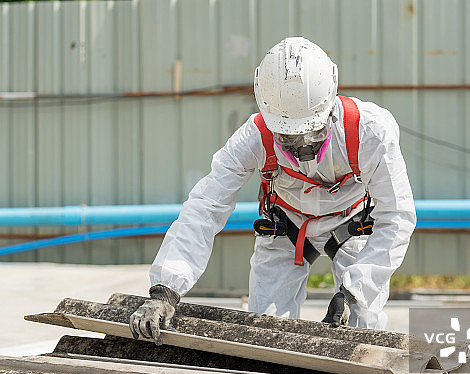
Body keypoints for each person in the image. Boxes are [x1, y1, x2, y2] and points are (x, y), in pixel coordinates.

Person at [129, 37, 416, 345]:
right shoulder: (253, 138)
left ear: (330, 105)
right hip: (286, 228)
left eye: (314, 134)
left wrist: (354, 290)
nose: (303, 150)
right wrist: (165, 289)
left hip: (351, 224)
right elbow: (205, 208)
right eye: (289, 139)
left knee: (364, 331)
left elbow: (396, 216)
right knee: (265, 336)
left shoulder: (370, 132)